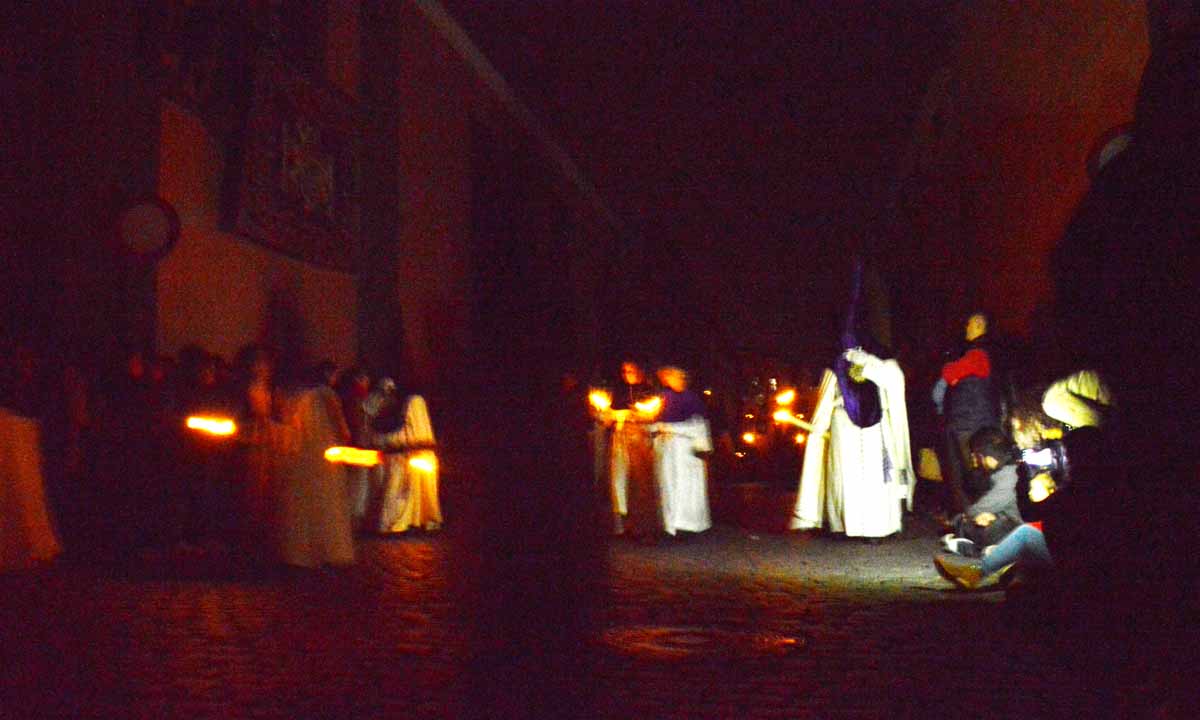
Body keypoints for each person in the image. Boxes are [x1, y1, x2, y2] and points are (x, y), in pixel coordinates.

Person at [790, 343, 913, 540]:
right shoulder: (842, 365)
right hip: (850, 426)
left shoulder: (878, 364)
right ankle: (851, 525)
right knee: (847, 474)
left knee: (862, 475)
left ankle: (869, 527)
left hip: (869, 427)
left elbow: (891, 389)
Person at [275, 376, 356, 568]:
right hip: (325, 456)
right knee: (328, 502)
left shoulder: (292, 396)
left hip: (303, 456)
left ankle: (302, 552)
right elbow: (341, 426)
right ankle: (328, 549)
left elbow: (290, 427)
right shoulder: (327, 395)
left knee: (303, 502)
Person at [934, 311, 1002, 514]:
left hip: (971, 423)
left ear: (980, 325)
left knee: (972, 475)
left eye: (969, 324)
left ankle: (978, 522)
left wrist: (951, 371)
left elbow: (949, 373)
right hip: (967, 421)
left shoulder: (980, 351)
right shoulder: (976, 351)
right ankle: (967, 522)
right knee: (964, 476)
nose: (966, 327)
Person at [367, 379, 441, 533]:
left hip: (411, 452)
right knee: (397, 489)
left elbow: (412, 427)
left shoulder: (414, 402)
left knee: (410, 489)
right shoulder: (391, 404)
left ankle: (413, 520)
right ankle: (393, 523)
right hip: (399, 453)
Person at [940, 426, 1022, 556]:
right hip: (1014, 521)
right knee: (983, 521)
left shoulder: (1010, 475)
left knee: (985, 525)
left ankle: (973, 548)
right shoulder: (1005, 471)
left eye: (976, 456)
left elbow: (986, 505)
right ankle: (973, 542)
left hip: (1022, 528)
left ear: (989, 457)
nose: (974, 461)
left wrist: (965, 517)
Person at [649, 366, 712, 536]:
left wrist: (671, 428)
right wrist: (656, 427)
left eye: (677, 377)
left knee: (686, 486)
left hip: (685, 449)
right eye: (669, 377)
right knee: (669, 484)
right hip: (667, 449)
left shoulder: (692, 399)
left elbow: (698, 425)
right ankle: (671, 524)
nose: (672, 380)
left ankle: (687, 525)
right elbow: (654, 419)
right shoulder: (664, 397)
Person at [602, 360, 657, 538]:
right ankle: (620, 524)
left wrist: (636, 415)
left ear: (640, 371)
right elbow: (607, 418)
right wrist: (608, 415)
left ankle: (642, 527)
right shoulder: (619, 392)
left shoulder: (648, 391)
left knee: (640, 483)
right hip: (620, 440)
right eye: (624, 371)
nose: (627, 374)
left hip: (640, 441)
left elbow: (653, 415)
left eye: (631, 371)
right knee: (618, 481)